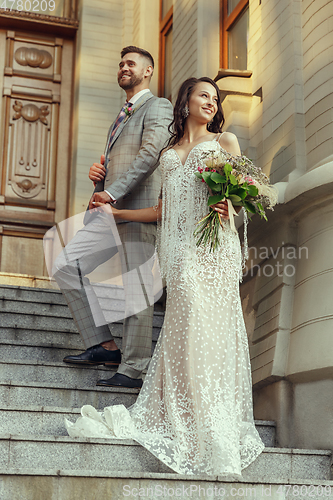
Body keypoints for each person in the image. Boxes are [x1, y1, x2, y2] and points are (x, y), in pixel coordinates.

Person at [65, 77, 265, 477]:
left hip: (211, 250)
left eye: (215, 98)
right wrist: (116, 214)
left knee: (205, 325)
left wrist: (230, 204)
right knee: (186, 325)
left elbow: (251, 193)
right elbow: (162, 209)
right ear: (186, 100)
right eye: (203, 95)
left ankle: (209, 419)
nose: (210, 102)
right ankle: (186, 412)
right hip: (175, 251)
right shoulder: (168, 153)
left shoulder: (225, 142)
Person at [53, 46, 173, 389]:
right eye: (120, 63)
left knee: (137, 289)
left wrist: (112, 191)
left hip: (138, 212)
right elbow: (121, 162)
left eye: (130, 63)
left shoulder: (158, 106)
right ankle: (104, 345)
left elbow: (150, 154)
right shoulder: (119, 117)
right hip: (109, 211)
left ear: (147, 71)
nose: (123, 67)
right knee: (67, 263)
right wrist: (99, 178)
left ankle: (134, 369)